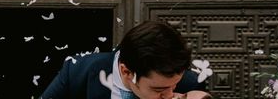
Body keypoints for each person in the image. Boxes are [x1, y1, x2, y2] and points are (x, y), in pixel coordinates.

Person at [40, 20, 213, 99]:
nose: (169, 95)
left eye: (174, 86)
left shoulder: (191, 86)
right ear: (127, 72)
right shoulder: (78, 72)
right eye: (158, 89)